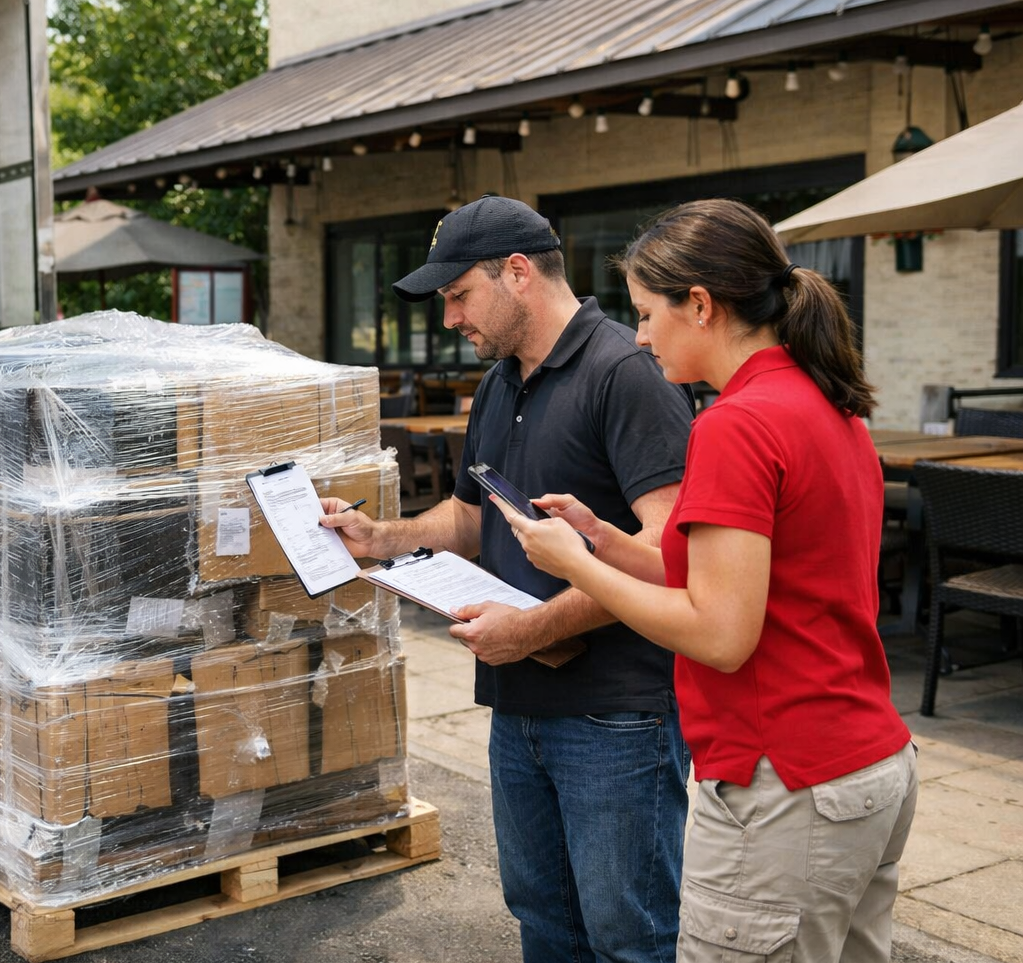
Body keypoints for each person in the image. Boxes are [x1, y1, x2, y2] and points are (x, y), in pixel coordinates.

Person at [502, 198, 917, 963]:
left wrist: (577, 566)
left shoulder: (735, 422)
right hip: (867, 768)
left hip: (783, 783)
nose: (640, 335)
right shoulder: (831, 404)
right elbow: (739, 577)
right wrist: (606, 540)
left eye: (650, 312)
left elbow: (723, 633)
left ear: (701, 305)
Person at [320, 194, 695, 963]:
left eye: (459, 295)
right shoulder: (496, 385)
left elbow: (672, 550)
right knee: (542, 919)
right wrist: (377, 538)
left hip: (617, 716)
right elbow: (469, 518)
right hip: (518, 702)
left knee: (630, 936)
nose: (450, 318)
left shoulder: (626, 373)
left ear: (517, 272)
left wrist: (533, 627)